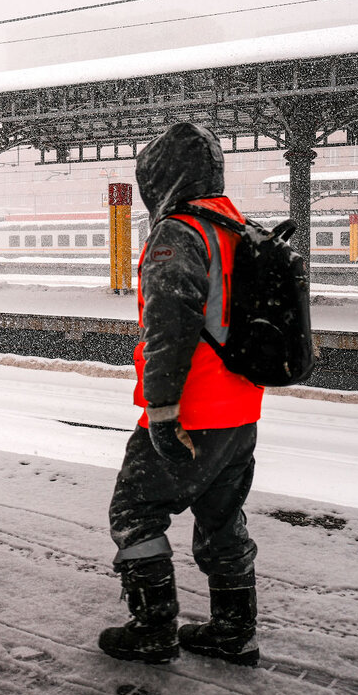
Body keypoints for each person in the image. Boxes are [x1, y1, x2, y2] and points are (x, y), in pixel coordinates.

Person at [98, 122, 265, 666]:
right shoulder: (238, 228)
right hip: (241, 412)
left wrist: (164, 415)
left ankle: (152, 628)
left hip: (191, 410)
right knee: (221, 519)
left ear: (165, 175)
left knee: (134, 512)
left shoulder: (180, 233)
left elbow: (168, 330)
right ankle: (234, 631)